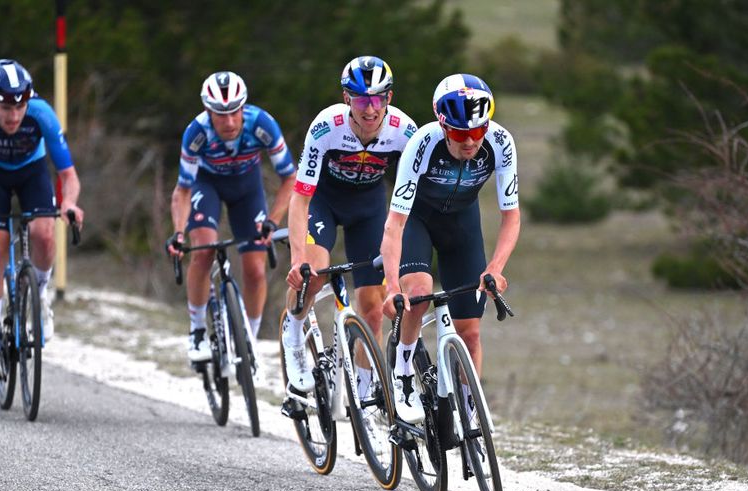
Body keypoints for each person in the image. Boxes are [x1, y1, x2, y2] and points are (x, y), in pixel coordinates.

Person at [380, 73, 520, 424]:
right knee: (419, 293)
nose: (471, 141)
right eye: (460, 134)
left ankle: (471, 412)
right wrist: (390, 285)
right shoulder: (423, 143)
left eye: (478, 131)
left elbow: (511, 217)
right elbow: (395, 223)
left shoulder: (501, 141)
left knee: (470, 331)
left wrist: (496, 268)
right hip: (418, 221)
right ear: (443, 126)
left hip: (462, 224)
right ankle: (402, 373)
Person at [281, 55, 417, 396]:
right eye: (360, 99)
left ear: (389, 98)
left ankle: (363, 392)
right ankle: (293, 334)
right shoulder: (326, 126)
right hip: (324, 203)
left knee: (372, 308)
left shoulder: (405, 131)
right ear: (346, 99)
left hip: (369, 210)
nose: (369, 110)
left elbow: (417, 197)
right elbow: (300, 197)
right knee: (314, 273)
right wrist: (297, 259)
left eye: (377, 99)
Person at [0, 58, 84, 380]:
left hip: (32, 172)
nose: (15, 116)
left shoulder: (42, 113)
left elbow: (68, 175)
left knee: (45, 234)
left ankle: (39, 296)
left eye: (20, 108)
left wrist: (69, 203)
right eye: (6, 109)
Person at [167, 71, 296, 362]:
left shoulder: (262, 124)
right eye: (219, 114)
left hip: (246, 188)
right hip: (206, 184)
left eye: (234, 112)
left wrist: (273, 220)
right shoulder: (196, 133)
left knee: (255, 269)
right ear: (207, 111)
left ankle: (248, 337)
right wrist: (178, 233)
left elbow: (290, 178)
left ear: (243, 107)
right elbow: (183, 191)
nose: (228, 121)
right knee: (203, 251)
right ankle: (198, 330)